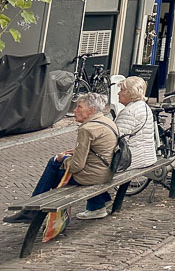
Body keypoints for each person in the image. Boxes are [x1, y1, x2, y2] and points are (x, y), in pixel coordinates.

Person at [5, 93, 116, 223]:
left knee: (54, 164)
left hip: (94, 176)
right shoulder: (108, 122)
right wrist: (76, 152)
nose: (74, 110)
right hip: (107, 172)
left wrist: (62, 159)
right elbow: (100, 149)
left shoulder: (87, 129)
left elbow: (76, 166)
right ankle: (100, 201)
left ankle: (31, 211)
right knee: (57, 164)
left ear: (91, 110)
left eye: (79, 107)